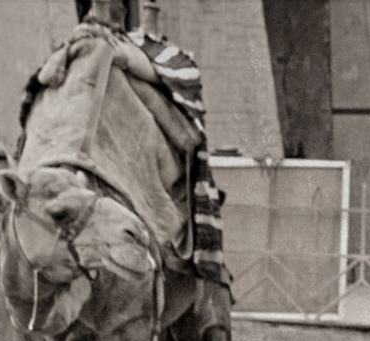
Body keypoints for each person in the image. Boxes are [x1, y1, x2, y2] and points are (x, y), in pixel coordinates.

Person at [24, 0, 227, 286]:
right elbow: (46, 76)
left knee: (175, 132)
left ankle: (167, 227)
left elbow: (176, 79)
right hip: (86, 73)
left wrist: (116, 53)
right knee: (42, 108)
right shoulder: (75, 45)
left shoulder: (151, 52)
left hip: (127, 62)